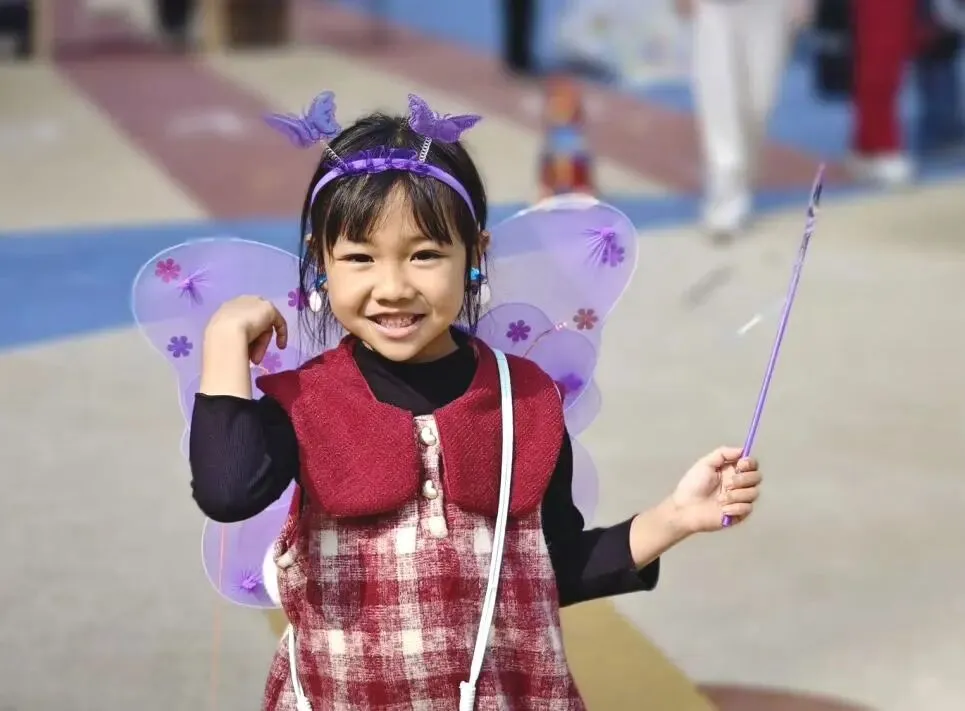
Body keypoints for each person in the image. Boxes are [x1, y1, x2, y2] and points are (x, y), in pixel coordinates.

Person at [157, 92, 763, 709]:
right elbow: (228, 492)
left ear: (475, 253)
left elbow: (547, 570)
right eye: (360, 258)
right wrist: (224, 342)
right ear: (321, 262)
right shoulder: (302, 400)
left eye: (425, 255)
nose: (393, 287)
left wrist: (675, 517)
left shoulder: (526, 398)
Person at [676, 0, 795, 241]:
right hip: (714, 8)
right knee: (719, 98)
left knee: (760, 101)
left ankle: (743, 180)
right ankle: (725, 201)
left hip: (769, 8)